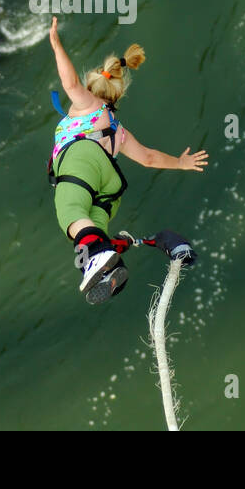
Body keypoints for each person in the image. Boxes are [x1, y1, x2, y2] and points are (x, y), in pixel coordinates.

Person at [46, 16, 208, 303]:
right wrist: (181, 163)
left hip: (81, 164)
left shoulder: (86, 105)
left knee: (69, 211)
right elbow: (147, 158)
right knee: (90, 228)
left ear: (92, 89)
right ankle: (105, 265)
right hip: (108, 185)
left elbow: (70, 84)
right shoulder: (117, 129)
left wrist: (57, 46)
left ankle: (99, 258)